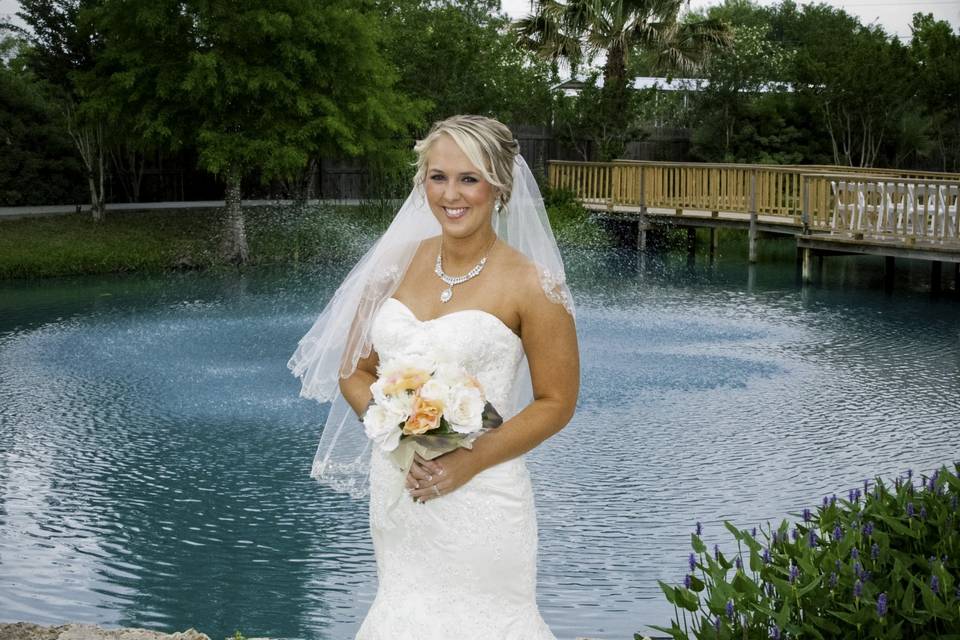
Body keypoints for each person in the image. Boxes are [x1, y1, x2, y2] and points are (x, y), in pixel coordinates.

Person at [288, 115, 580, 639]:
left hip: (484, 491)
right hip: (402, 487)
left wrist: (466, 460)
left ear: (500, 186)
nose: (452, 194)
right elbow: (355, 371)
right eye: (438, 176)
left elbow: (556, 402)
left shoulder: (534, 285)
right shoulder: (393, 265)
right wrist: (403, 433)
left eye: (469, 178)